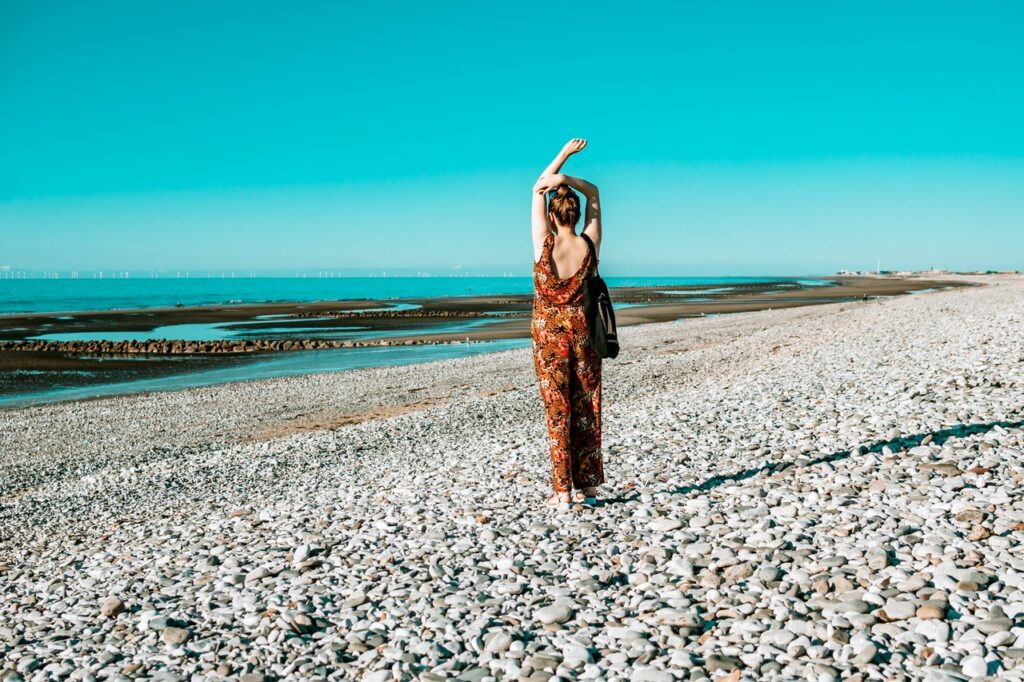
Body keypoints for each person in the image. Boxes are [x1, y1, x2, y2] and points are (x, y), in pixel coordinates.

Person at [531, 138, 605, 508]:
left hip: (549, 339)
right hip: (584, 335)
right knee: (587, 406)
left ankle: (562, 493)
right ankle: (587, 488)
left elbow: (537, 186)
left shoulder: (543, 244)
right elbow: (595, 193)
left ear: (552, 215)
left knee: (558, 411)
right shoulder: (590, 245)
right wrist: (568, 179)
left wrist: (560, 157)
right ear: (574, 215)